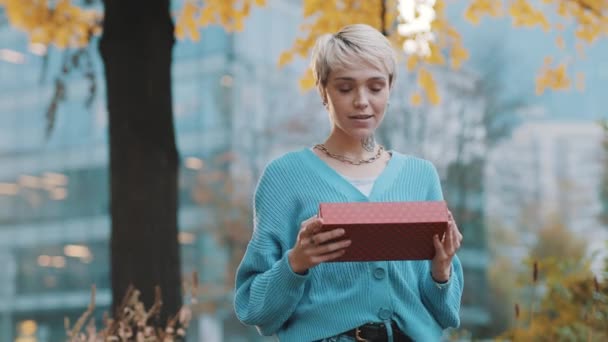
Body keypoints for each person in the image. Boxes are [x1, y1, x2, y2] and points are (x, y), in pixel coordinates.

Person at [234, 23, 464, 342]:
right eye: (345, 88)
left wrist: (441, 273)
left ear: (390, 88)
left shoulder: (420, 176)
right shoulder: (284, 177)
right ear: (322, 90)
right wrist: (296, 263)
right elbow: (254, 309)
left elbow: (446, 313)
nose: (362, 101)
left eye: (375, 87)